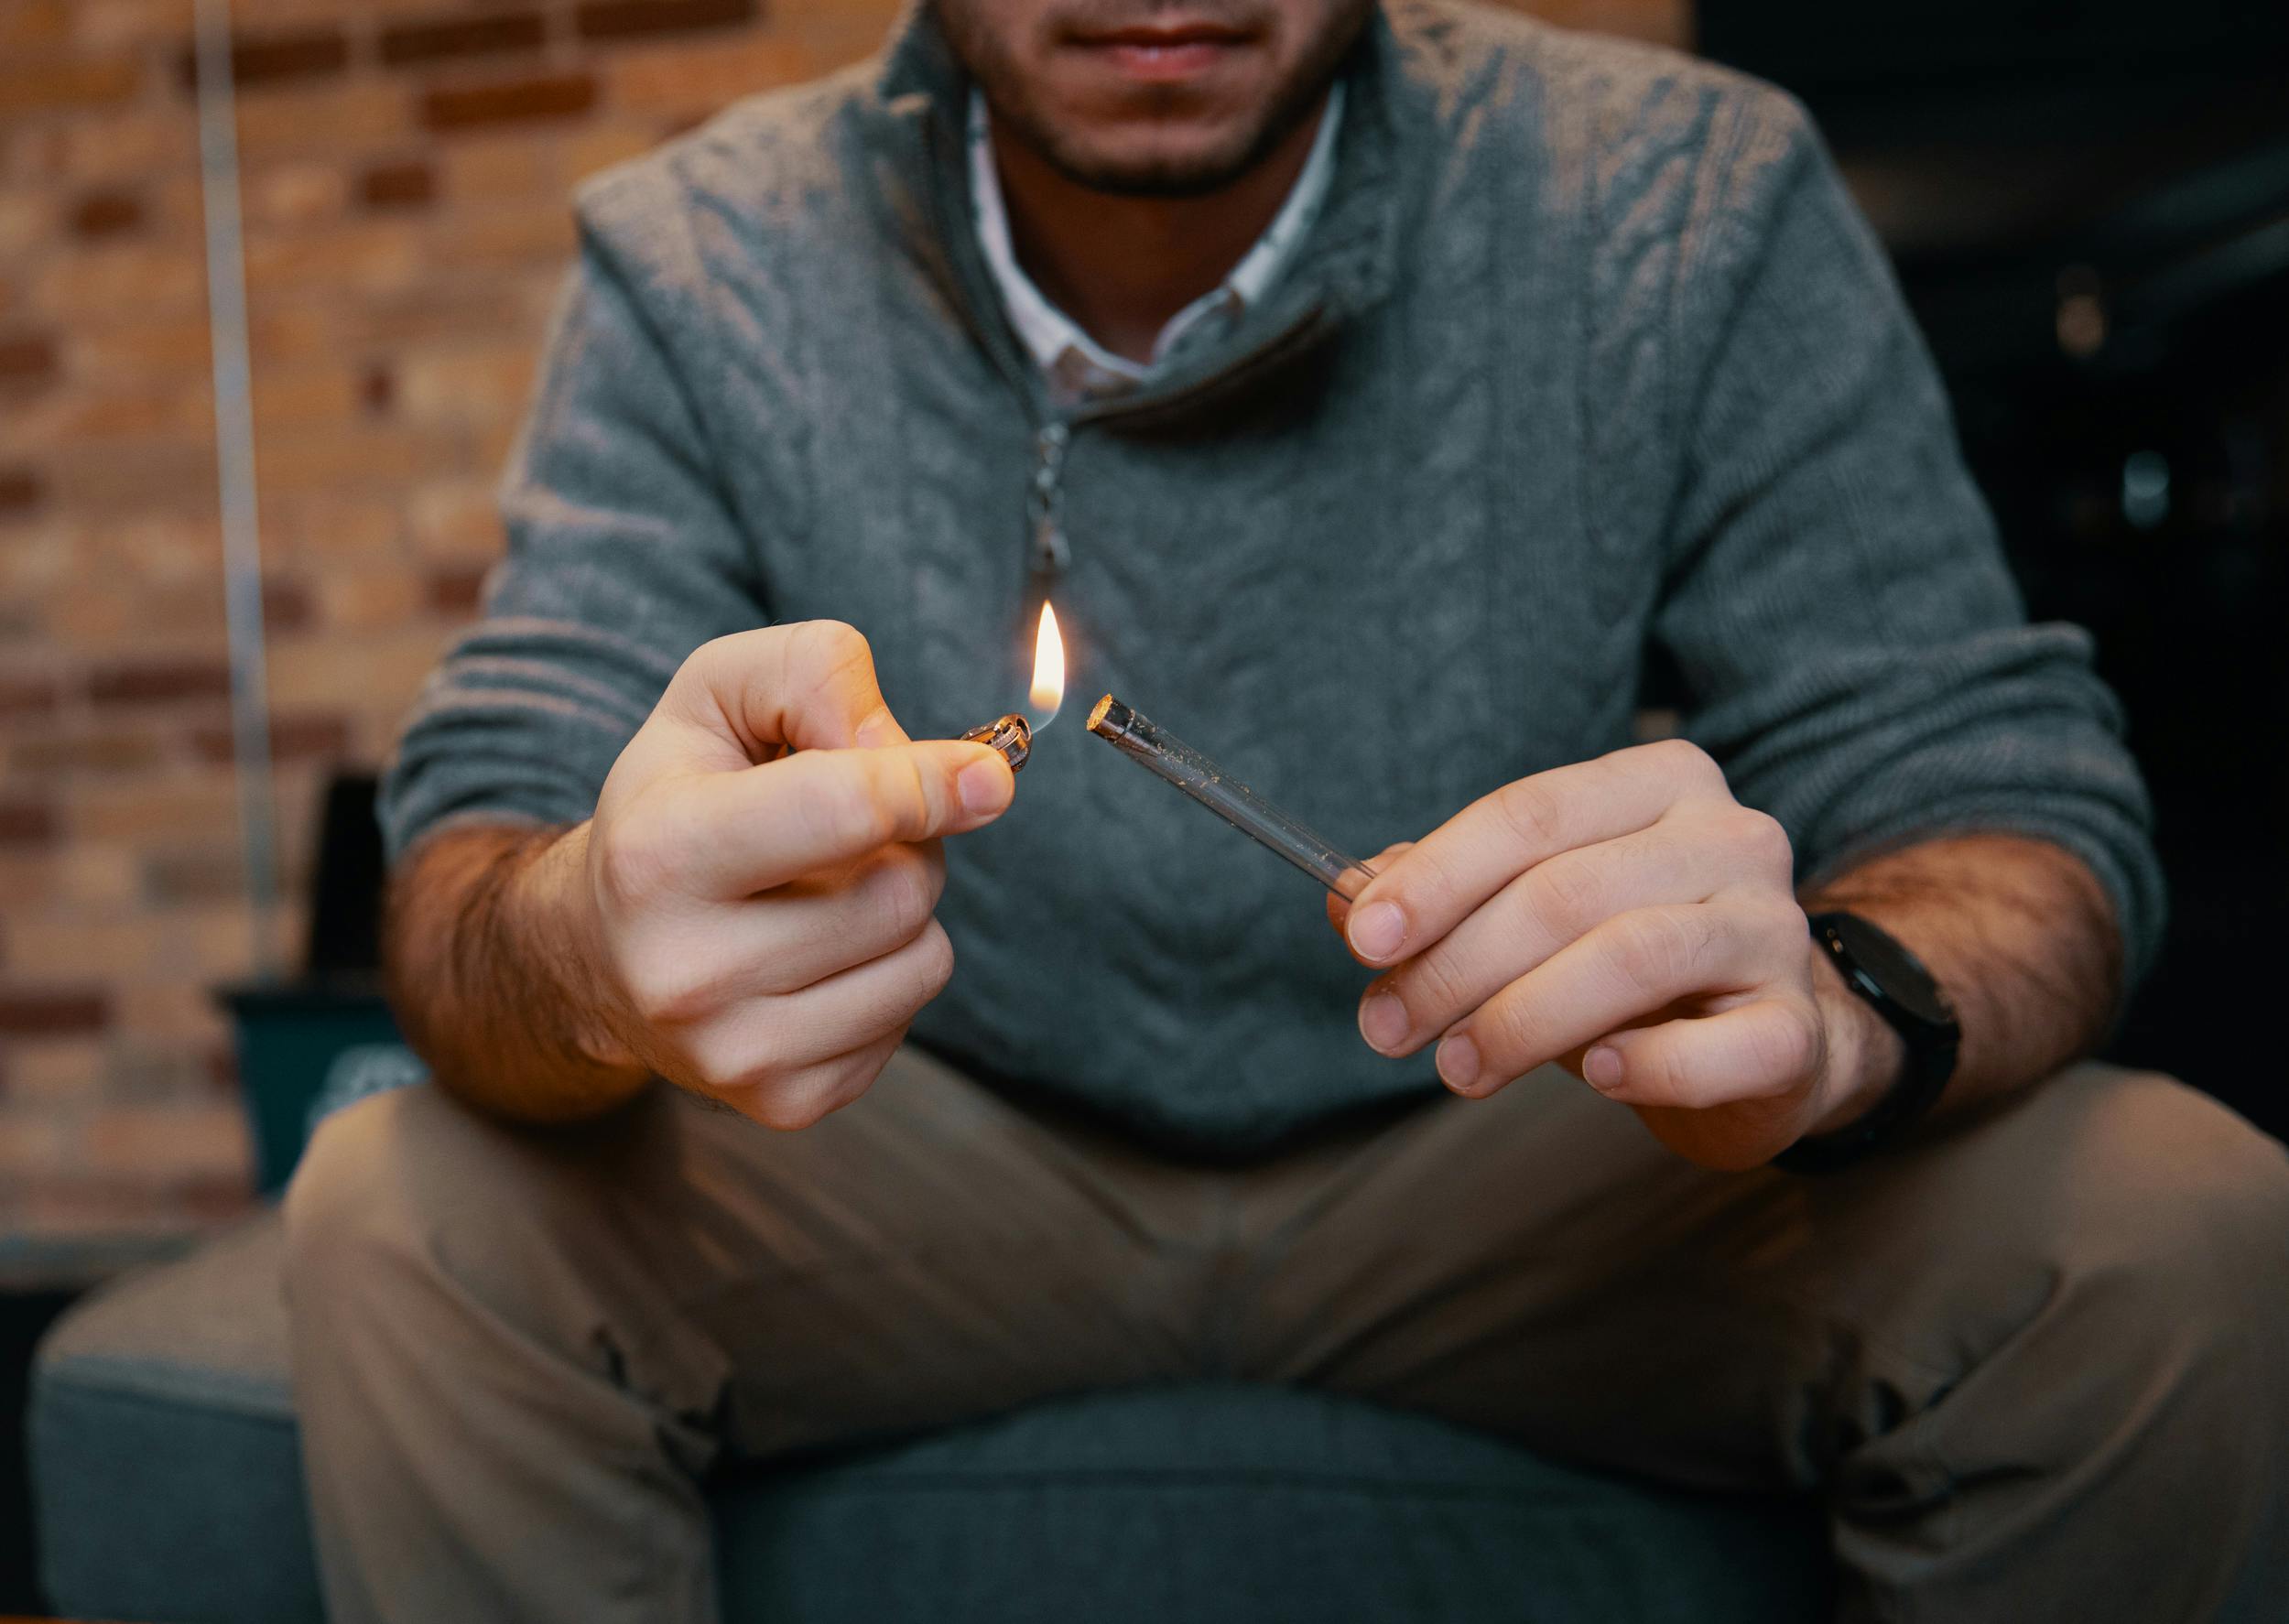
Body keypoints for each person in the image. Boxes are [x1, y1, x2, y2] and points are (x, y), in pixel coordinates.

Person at [281, 0, 2289, 1617]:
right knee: (402, 1205)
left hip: (1521, 1152)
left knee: (2168, 1218)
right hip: (929, 1158)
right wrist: (587, 942)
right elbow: (482, 844)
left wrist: (1840, 1010)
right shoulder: (698, 259)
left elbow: (1995, 795)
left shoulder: (1680, 197)